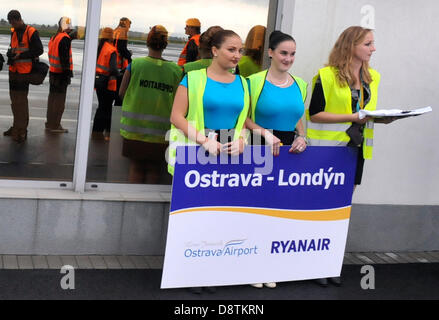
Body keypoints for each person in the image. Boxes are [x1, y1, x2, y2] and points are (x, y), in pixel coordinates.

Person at [307, 26, 394, 287]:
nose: (373, 48)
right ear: (351, 45)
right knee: (321, 208)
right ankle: (313, 264)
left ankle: (330, 263)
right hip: (330, 151)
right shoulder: (326, 76)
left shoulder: (373, 77)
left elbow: (366, 114)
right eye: (368, 43)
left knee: (341, 209)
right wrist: (352, 117)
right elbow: (314, 114)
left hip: (357, 151)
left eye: (372, 43)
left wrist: (383, 117)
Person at [169, 31, 249, 294]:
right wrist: (204, 141)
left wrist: (243, 141)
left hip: (229, 154)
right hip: (198, 150)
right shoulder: (192, 79)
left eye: (240, 50)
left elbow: (244, 122)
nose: (237, 55)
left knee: (218, 215)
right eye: (231, 49)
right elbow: (176, 117)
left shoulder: (245, 84)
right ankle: (188, 271)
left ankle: (209, 269)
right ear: (214, 50)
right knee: (193, 215)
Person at [245, 31, 308, 289]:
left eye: (292, 54)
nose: (288, 58)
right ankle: (249, 267)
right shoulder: (252, 82)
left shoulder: (301, 84)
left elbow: (298, 117)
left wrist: (303, 137)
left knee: (279, 212)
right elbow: (243, 118)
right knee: (255, 211)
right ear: (270, 52)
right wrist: (264, 134)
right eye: (283, 53)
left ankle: (269, 266)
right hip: (258, 148)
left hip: (288, 155)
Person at [118, 25, 182, 184]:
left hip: (134, 130)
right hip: (161, 132)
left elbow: (121, 93)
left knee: (136, 167)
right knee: (155, 168)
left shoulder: (135, 65)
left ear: (147, 42)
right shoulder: (176, 70)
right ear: (165, 45)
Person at [5, 10, 43, 143]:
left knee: (21, 102)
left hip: (24, 73)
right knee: (14, 102)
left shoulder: (31, 32)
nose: (12, 25)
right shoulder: (13, 32)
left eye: (12, 22)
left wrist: (21, 56)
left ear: (18, 19)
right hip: (13, 71)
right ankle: (16, 127)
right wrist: (11, 54)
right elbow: (15, 48)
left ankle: (22, 130)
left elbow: (39, 50)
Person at [46, 16, 75, 133]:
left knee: (52, 99)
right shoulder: (64, 38)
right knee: (59, 101)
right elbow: (64, 59)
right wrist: (67, 74)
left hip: (53, 72)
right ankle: (55, 125)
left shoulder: (54, 37)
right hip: (61, 75)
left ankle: (50, 123)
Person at [92, 27, 119, 140]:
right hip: (108, 83)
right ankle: (105, 133)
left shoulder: (99, 48)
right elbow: (113, 69)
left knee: (101, 107)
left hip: (98, 82)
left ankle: (96, 131)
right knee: (107, 108)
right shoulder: (111, 50)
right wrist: (119, 74)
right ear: (111, 37)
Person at [113, 17, 132, 106]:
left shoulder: (115, 30)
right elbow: (121, 48)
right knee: (119, 96)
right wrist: (129, 56)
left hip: (113, 64)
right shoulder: (123, 32)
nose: (129, 28)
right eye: (129, 25)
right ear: (126, 24)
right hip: (119, 67)